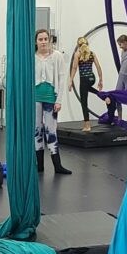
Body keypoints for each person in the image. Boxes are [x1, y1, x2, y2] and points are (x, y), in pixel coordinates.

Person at [34, 29, 72, 175]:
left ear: (49, 40)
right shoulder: (33, 57)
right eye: (40, 39)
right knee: (37, 130)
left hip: (50, 98)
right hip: (35, 97)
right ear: (36, 41)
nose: (43, 42)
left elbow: (62, 78)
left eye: (45, 39)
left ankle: (57, 165)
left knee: (51, 130)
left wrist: (59, 100)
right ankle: (39, 165)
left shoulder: (57, 56)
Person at [70, 36, 104, 132]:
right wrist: (100, 80)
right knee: (88, 88)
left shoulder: (78, 54)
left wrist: (70, 80)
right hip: (92, 78)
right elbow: (98, 67)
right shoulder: (92, 54)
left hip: (84, 79)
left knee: (84, 102)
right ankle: (103, 96)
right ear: (87, 44)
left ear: (78, 45)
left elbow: (74, 68)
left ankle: (87, 125)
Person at [106, 34, 127, 124]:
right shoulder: (123, 51)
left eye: (120, 44)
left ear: (125, 42)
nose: (120, 47)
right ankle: (119, 118)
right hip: (121, 76)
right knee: (117, 97)